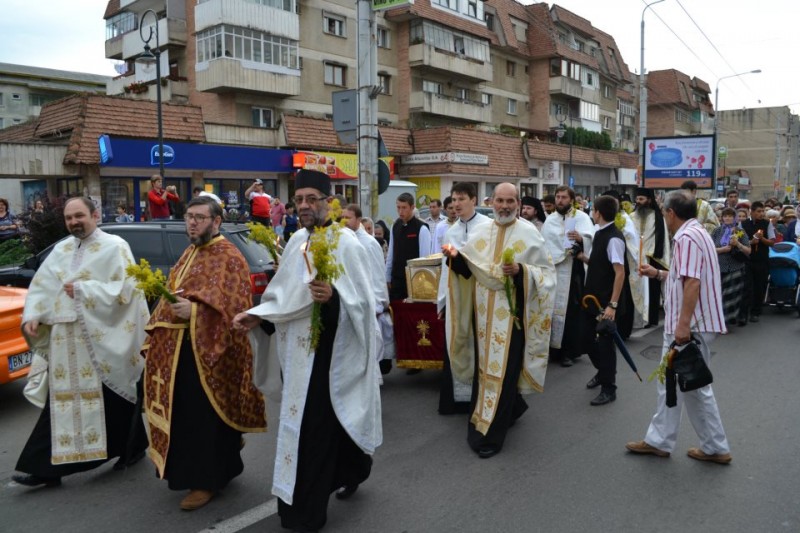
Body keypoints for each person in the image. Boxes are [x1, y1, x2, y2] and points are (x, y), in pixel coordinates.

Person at [233, 169, 381, 532]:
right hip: (296, 355)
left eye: (312, 198)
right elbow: (283, 298)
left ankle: (306, 514)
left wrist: (333, 299)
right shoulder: (297, 239)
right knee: (309, 429)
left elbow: (364, 305)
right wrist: (260, 318)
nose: (304, 205)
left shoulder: (346, 243)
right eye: (299, 200)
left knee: (314, 431)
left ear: (329, 202)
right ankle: (353, 468)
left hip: (330, 356)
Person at [12, 197, 149, 488]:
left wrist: (86, 290)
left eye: (79, 216)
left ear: (95, 215)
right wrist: (33, 315)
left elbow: (127, 290)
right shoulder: (61, 249)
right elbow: (42, 287)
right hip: (65, 339)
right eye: (69, 218)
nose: (74, 222)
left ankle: (133, 447)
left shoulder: (115, 246)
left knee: (114, 397)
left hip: (100, 338)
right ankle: (46, 468)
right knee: (60, 402)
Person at [142, 196, 266, 510]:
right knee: (188, 417)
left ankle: (206, 482)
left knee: (204, 419)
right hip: (181, 352)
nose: (193, 222)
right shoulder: (189, 252)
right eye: (189, 216)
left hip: (212, 352)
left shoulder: (229, 256)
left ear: (216, 221)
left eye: (199, 217)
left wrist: (195, 312)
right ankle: (218, 470)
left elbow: (237, 308)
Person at [441, 183, 555, 458]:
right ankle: (506, 410)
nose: (504, 206)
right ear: (492, 202)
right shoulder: (481, 231)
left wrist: (520, 271)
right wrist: (455, 259)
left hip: (512, 319)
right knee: (485, 371)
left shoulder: (529, 234)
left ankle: (489, 435)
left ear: (517, 203)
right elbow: (468, 270)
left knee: (503, 375)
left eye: (510, 201)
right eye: (500, 201)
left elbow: (547, 276)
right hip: (482, 319)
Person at [626, 189, 731, 465]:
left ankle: (713, 447)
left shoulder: (685, 237)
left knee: (693, 386)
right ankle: (667, 441)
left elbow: (692, 283)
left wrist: (683, 326)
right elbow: (684, 275)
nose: (664, 217)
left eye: (664, 213)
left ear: (671, 213)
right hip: (694, 323)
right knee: (676, 384)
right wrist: (659, 273)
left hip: (690, 325)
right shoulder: (697, 233)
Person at [437, 183, 490, 415]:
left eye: (461, 199)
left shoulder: (487, 227)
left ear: (473, 200)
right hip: (457, 297)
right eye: (453, 199)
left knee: (480, 345)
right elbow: (445, 269)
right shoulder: (451, 231)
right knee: (456, 339)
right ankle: (458, 399)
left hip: (480, 296)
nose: (456, 204)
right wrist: (442, 301)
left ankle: (480, 399)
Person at [574, 196, 629, 406]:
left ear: (597, 212)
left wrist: (612, 305)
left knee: (606, 346)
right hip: (592, 300)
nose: (592, 213)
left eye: (593, 210)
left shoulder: (614, 238)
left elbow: (619, 272)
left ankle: (609, 388)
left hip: (606, 303)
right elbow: (600, 265)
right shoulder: (600, 234)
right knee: (586, 339)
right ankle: (602, 371)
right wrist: (583, 258)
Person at [542, 185, 595, 367]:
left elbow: (591, 238)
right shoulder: (550, 220)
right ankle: (554, 350)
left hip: (573, 271)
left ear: (571, 200)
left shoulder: (581, 217)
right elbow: (544, 245)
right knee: (552, 309)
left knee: (571, 312)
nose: (560, 200)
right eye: (558, 197)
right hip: (554, 271)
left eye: (564, 197)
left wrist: (581, 238)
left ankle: (569, 352)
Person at [343, 204, 394, 376]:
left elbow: (377, 276)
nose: (344, 222)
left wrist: (378, 303)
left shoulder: (369, 243)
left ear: (358, 220)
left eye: (348, 218)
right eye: (342, 218)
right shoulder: (345, 239)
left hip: (368, 300)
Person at [631, 187, 670, 327]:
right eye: (637, 199)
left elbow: (662, 240)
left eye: (641, 199)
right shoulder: (631, 217)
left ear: (649, 200)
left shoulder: (658, 218)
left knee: (652, 291)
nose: (638, 202)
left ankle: (651, 318)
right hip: (634, 259)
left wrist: (652, 255)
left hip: (651, 259)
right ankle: (637, 318)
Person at [386, 192, 431, 301]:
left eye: (404, 208)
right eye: (398, 207)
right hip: (396, 280)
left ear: (412, 207)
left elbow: (425, 259)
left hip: (413, 281)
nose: (400, 211)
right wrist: (387, 277)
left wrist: (420, 284)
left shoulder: (422, 228)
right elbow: (391, 254)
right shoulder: (395, 225)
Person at [711, 208, 751, 326]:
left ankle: (728, 321)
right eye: (725, 216)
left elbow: (748, 250)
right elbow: (709, 248)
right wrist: (722, 249)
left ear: (734, 218)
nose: (727, 218)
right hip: (719, 267)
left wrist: (737, 244)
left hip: (735, 267)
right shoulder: (717, 231)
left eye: (730, 216)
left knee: (732, 295)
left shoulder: (740, 231)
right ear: (722, 218)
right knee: (719, 295)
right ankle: (719, 321)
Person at [741, 201, 775, 323]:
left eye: (763, 211)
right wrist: (751, 241)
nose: (761, 214)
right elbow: (739, 241)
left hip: (762, 260)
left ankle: (756, 311)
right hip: (748, 260)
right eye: (759, 211)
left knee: (759, 286)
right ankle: (744, 313)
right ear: (752, 212)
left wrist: (762, 239)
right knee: (747, 286)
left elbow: (772, 242)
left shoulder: (767, 224)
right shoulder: (744, 224)